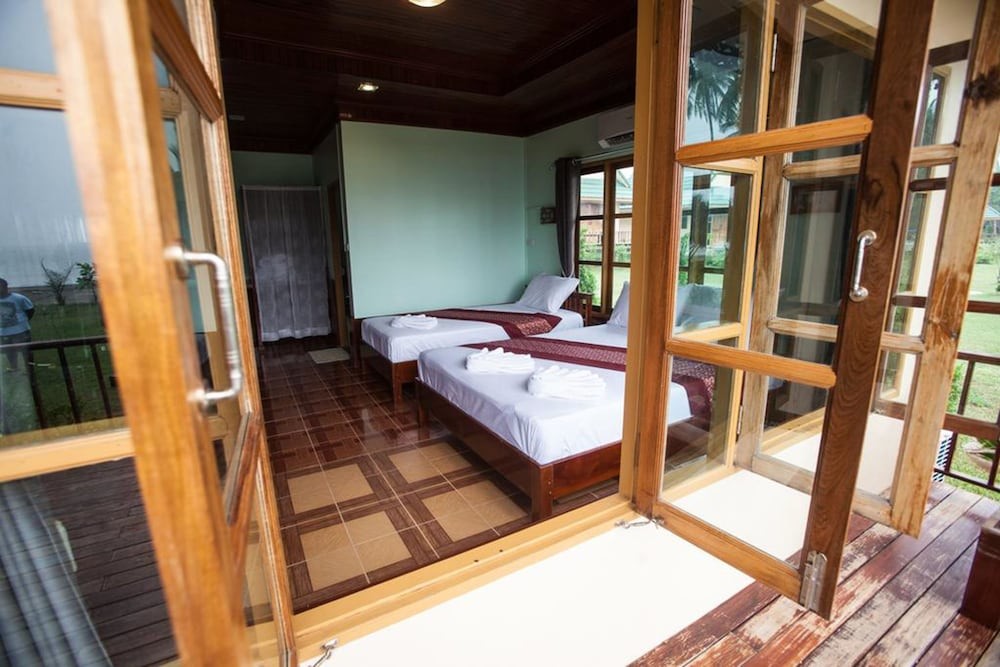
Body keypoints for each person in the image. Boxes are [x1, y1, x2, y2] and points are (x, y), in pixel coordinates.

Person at [0, 278, 35, 371]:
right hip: (4, 332)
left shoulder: (19, 298)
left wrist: (22, 322)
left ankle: (29, 368)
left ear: (6, 287)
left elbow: (30, 310)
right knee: (8, 351)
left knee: (26, 350)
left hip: (21, 331)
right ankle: (14, 367)